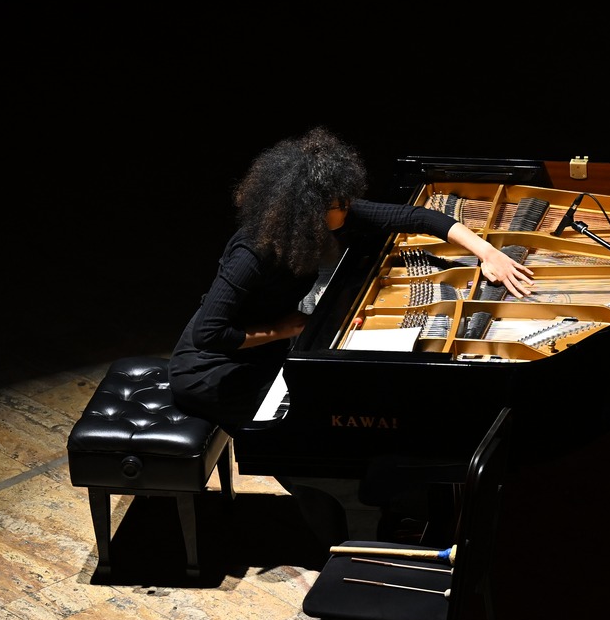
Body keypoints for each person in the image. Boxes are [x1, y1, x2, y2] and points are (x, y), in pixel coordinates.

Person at [169, 127, 534, 544]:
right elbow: (209, 333)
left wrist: (488, 252)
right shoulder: (252, 253)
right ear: (308, 208)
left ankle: (396, 505)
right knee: (304, 448)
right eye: (338, 204)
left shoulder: (322, 219)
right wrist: (286, 328)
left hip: (264, 351)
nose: (347, 208)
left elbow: (417, 217)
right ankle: (337, 539)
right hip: (211, 371)